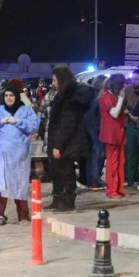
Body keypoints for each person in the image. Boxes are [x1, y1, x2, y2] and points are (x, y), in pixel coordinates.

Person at [0, 86, 40, 225]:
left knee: (19, 183)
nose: (8, 98)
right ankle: (0, 215)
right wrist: (0, 122)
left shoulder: (26, 111)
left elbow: (34, 126)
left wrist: (18, 121)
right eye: (6, 95)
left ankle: (23, 215)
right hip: (1, 154)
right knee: (1, 184)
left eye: (11, 95)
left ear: (17, 96)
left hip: (19, 154)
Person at [47, 67, 95, 212]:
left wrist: (58, 145)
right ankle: (57, 201)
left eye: (55, 80)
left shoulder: (70, 99)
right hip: (60, 141)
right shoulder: (61, 96)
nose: (52, 83)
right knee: (56, 171)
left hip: (68, 143)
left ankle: (68, 203)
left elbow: (67, 124)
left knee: (66, 172)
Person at [100, 74, 128, 199]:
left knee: (120, 162)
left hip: (119, 133)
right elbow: (114, 114)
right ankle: (111, 190)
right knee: (112, 163)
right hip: (111, 135)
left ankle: (119, 189)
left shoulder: (114, 96)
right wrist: (121, 99)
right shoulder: (106, 97)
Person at [123, 69, 139, 189]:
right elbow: (122, 105)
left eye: (136, 79)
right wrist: (127, 112)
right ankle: (129, 178)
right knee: (130, 153)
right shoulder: (127, 90)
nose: (134, 81)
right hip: (131, 124)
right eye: (132, 79)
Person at [85, 75, 107, 191]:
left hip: (94, 129)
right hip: (95, 130)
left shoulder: (94, 96)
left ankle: (96, 179)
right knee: (96, 155)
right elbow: (92, 116)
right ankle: (94, 180)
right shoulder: (97, 98)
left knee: (98, 155)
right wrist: (99, 127)